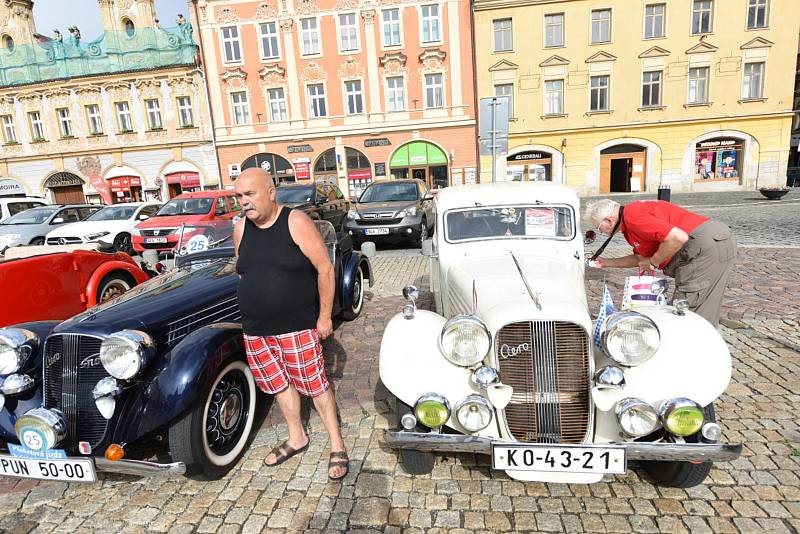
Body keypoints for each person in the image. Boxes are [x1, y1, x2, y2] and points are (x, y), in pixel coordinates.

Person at [233, 168, 348, 480]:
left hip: (296, 327)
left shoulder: (295, 221)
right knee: (278, 385)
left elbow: (325, 269)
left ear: (271, 193)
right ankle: (297, 436)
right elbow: (243, 272)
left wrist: (324, 317)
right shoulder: (241, 228)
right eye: (239, 196)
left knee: (315, 385)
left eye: (250, 194)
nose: (244, 202)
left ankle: (337, 443)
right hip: (256, 330)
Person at [586, 198, 736, 327]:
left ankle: (687, 354)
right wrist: (606, 263)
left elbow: (678, 237)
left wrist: (653, 262)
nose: (600, 232)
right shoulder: (630, 220)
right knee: (706, 308)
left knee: (685, 311)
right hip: (716, 241)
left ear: (609, 221)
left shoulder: (633, 217)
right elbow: (639, 259)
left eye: (598, 227)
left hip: (702, 248)